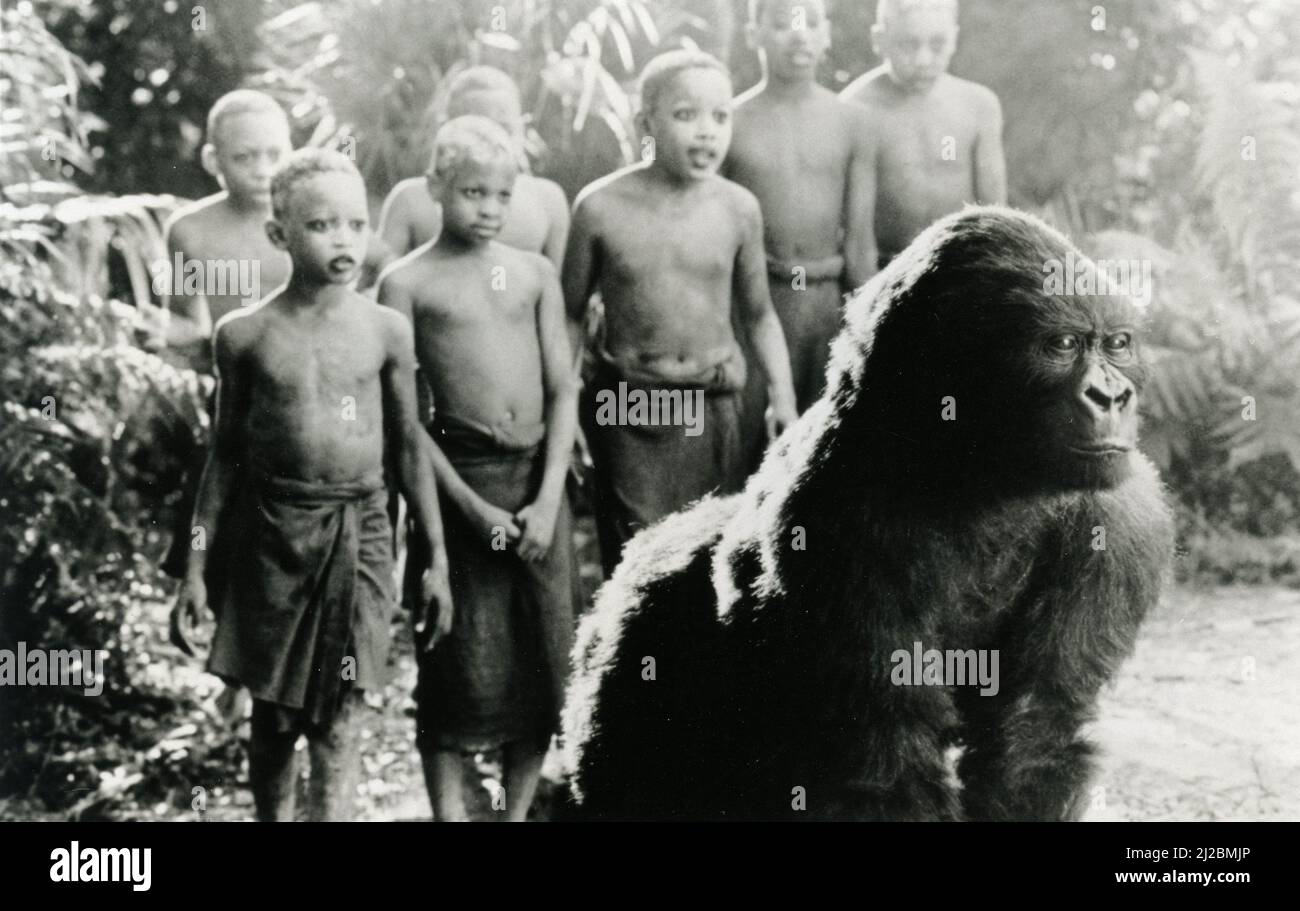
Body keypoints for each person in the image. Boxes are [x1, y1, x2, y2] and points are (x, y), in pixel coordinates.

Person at [168, 148, 452, 822]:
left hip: (362, 535)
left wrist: (436, 557)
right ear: (279, 234)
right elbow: (225, 457)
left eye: (355, 224)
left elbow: (411, 445)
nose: (344, 239)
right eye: (322, 225)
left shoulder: (387, 330)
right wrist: (197, 567)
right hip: (273, 538)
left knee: (341, 714)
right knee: (273, 719)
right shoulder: (245, 336)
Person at [377, 117, 578, 822]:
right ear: (434, 187)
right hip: (458, 490)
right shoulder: (406, 284)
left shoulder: (535, 273)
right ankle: (451, 816)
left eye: (501, 194)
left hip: (535, 492)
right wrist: (470, 511)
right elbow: (403, 422)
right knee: (458, 663)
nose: (488, 209)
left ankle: (517, 810)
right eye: (471, 192)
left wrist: (549, 499)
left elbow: (564, 388)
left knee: (541, 663)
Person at [563, 49, 798, 577]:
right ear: (645, 121)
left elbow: (758, 314)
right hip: (629, 405)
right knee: (637, 558)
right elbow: (569, 316)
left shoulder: (738, 209)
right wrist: (564, 410)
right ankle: (636, 660)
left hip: (712, 405)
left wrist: (782, 397)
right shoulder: (599, 207)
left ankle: (697, 663)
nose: (706, 132)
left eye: (720, 117)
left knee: (709, 553)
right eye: (685, 115)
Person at [724, 0, 875, 426]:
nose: (799, 34)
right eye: (782, 23)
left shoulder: (854, 122)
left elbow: (860, 240)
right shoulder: (731, 121)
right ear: (753, 33)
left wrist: (865, 326)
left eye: (810, 22)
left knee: (825, 440)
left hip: (825, 302)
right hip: (753, 302)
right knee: (749, 434)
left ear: (826, 32)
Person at [839, 0, 1007, 268]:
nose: (923, 60)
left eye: (937, 45)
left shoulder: (979, 106)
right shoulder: (855, 110)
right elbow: (858, 238)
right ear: (879, 40)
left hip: (963, 268)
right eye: (908, 45)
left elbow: (996, 219)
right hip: (889, 270)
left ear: (954, 38)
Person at [376, 66, 570, 267]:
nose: (492, 139)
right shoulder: (411, 199)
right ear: (446, 126)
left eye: (504, 127)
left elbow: (558, 289)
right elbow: (379, 281)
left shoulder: (547, 200)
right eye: (476, 128)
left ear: (521, 127)